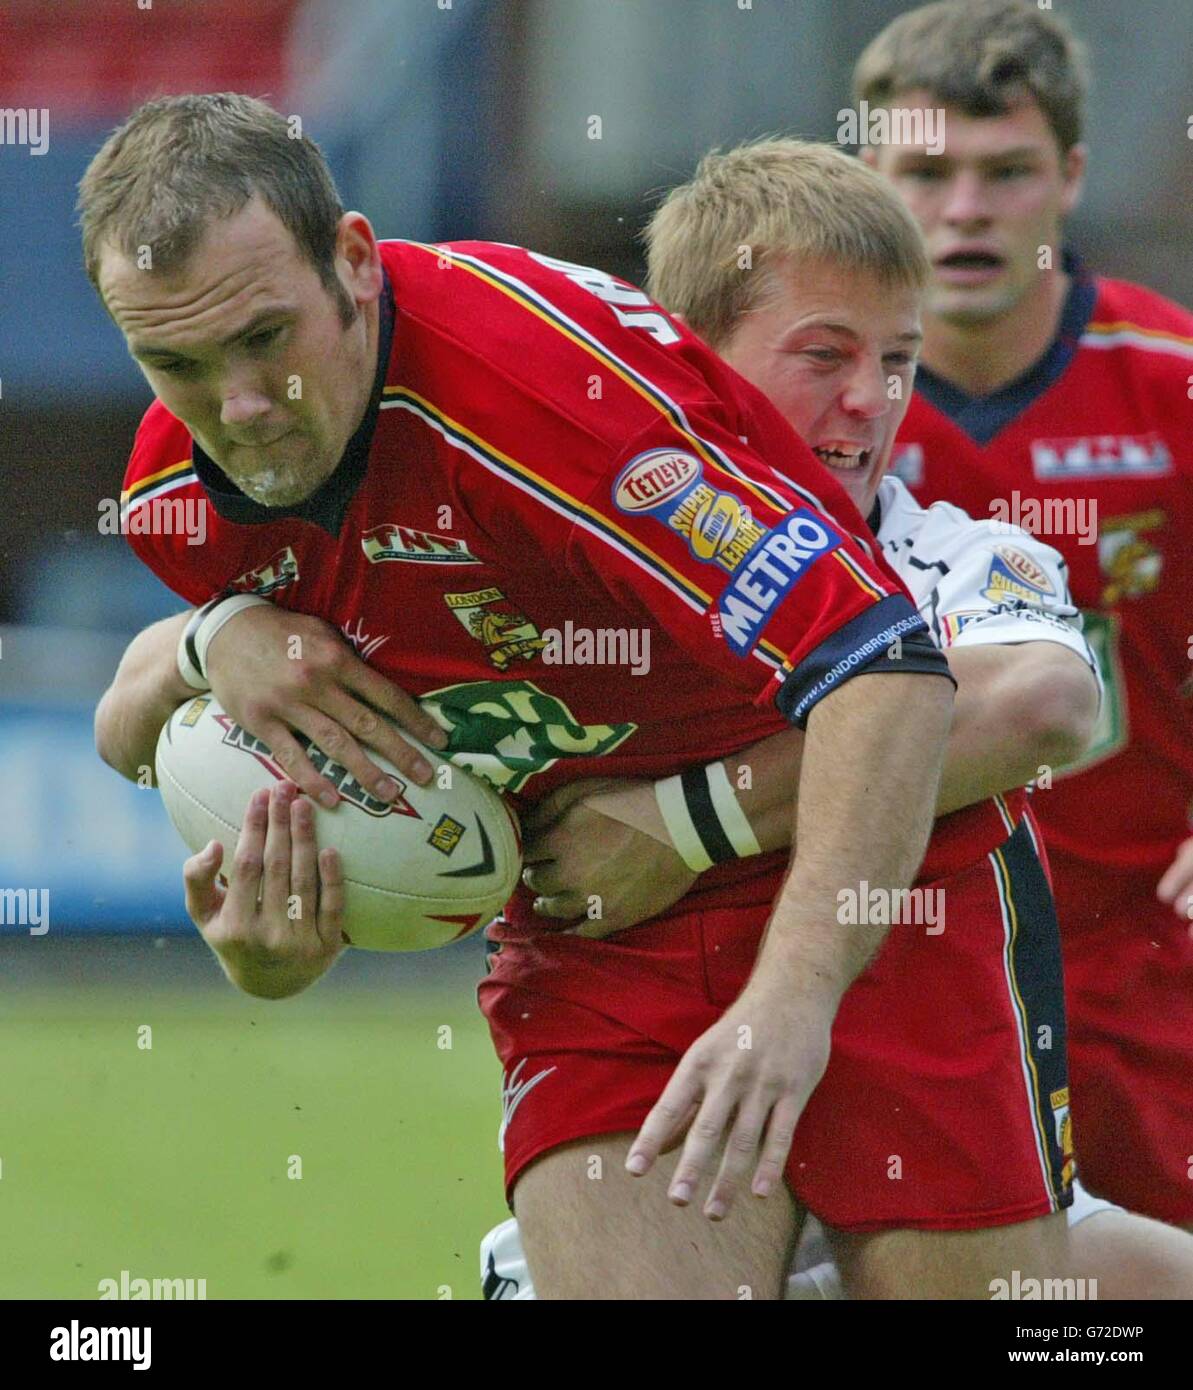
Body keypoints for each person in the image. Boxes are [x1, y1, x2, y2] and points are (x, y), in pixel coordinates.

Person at [85, 93, 959, 1300]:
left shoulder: (548, 404)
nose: (237, 405)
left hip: (881, 873)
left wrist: (790, 992)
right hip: (599, 930)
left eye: (266, 338)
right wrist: (213, 638)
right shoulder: (182, 495)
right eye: (172, 362)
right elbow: (125, 734)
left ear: (352, 261)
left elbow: (888, 674)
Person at [477, 137, 1193, 1300]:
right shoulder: (571, 568)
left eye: (898, 361)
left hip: (943, 1131)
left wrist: (684, 820)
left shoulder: (960, 555)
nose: (871, 401)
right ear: (685, 366)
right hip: (661, 1155)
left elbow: (1041, 699)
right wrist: (198, 657)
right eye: (824, 358)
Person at [852, 0, 1193, 1229]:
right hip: (891, 959)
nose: (963, 210)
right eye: (925, 172)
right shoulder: (803, 409)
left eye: (1006, 172)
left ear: (1070, 178)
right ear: (866, 178)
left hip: (1143, 974)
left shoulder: (1170, 385)